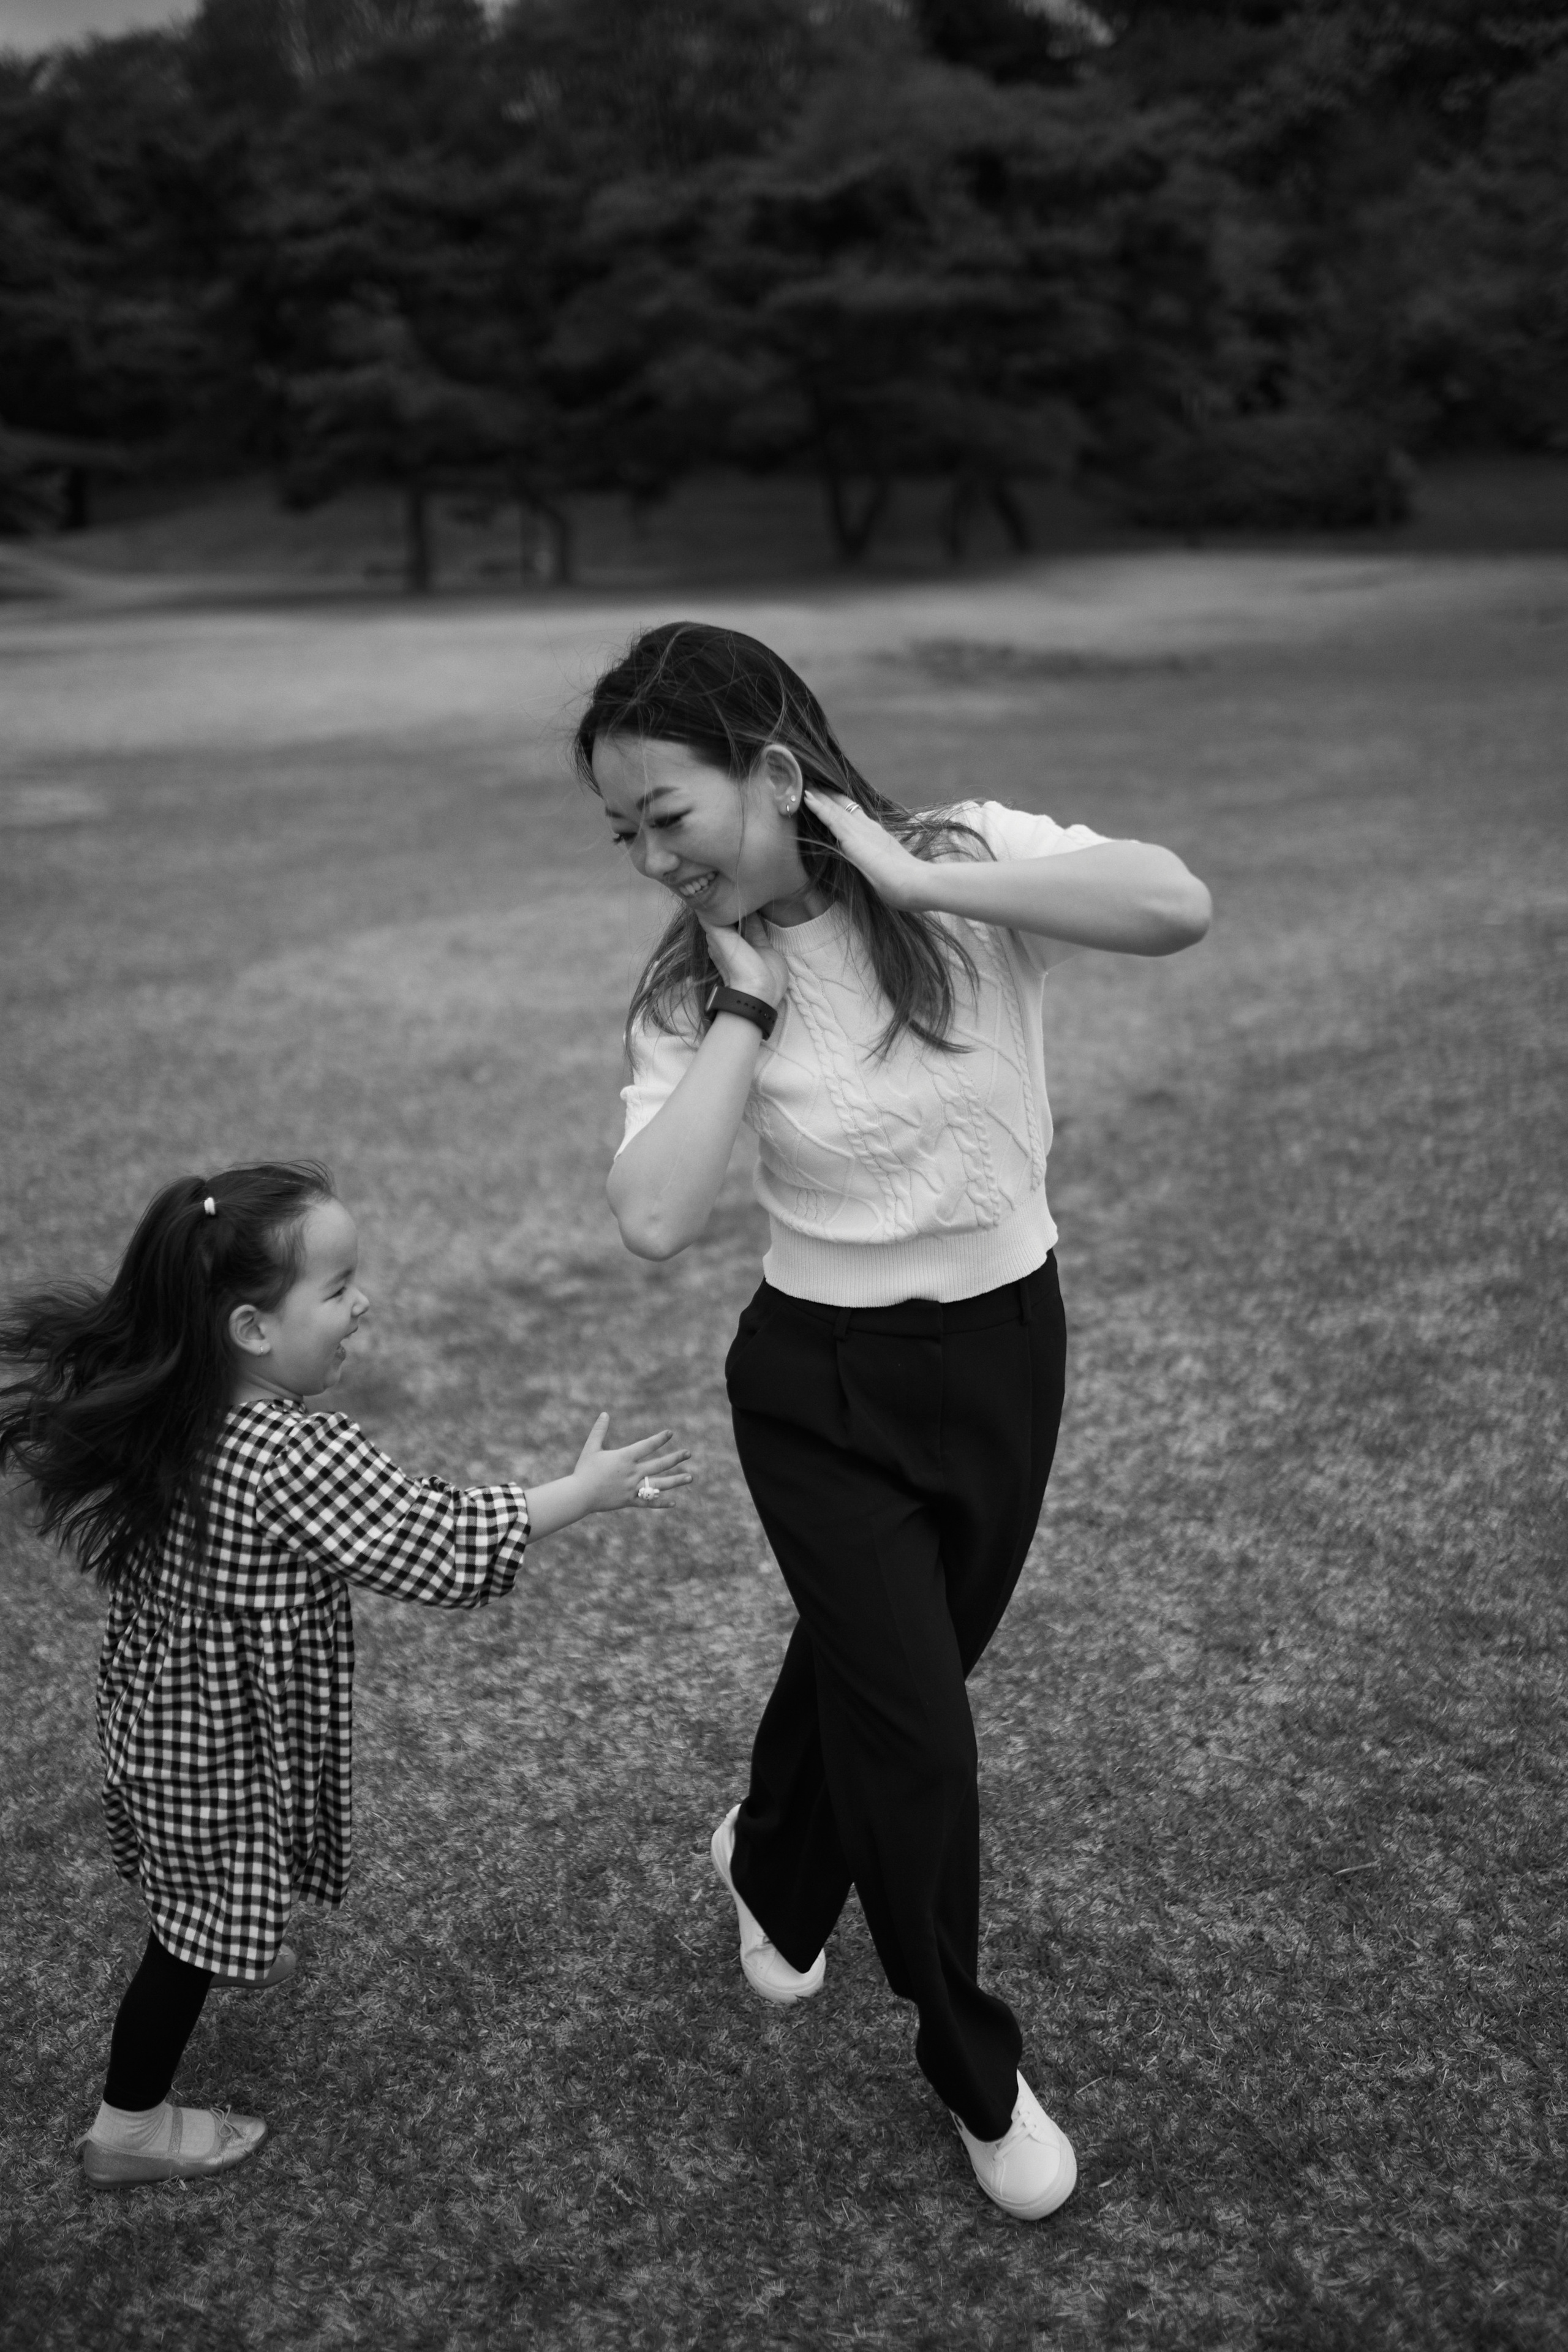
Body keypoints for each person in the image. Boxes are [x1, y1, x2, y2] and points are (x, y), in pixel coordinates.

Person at [578, 621, 1211, 2222]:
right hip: (818, 1385)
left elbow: (1174, 904)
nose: (655, 859)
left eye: (672, 815)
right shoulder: (689, 988)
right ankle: (974, 2072)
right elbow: (655, 1216)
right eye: (627, 835)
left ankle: (771, 1855)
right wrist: (745, 1006)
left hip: (1007, 1354)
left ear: (776, 772)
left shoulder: (968, 863)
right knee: (920, 1736)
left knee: (884, 1671)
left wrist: (928, 891)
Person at [0, 1161, 690, 2189]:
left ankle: (225, 1920)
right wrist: (579, 1493)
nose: (361, 1303)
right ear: (251, 1330)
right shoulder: (292, 1455)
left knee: (206, 1893)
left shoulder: (186, 1412)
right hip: (215, 1754)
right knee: (185, 1945)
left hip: (168, 1727)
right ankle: (128, 2128)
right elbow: (435, 1538)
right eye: (336, 1288)